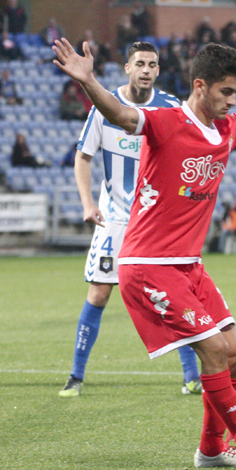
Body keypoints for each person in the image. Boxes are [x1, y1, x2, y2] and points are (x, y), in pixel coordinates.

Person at [52, 36, 236, 468]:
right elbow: (121, 113)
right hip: (147, 264)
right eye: (226, 92)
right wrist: (89, 83)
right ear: (200, 85)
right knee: (214, 350)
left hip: (188, 265)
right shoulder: (165, 122)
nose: (233, 102)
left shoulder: (227, 128)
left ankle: (212, 450)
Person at [58, 41, 204, 399]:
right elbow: (83, 157)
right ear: (127, 67)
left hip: (156, 222)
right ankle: (75, 376)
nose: (146, 70)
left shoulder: (170, 107)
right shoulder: (106, 107)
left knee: (172, 296)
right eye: (139, 63)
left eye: (152, 64)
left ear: (157, 70)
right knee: (99, 293)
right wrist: (88, 202)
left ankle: (191, 377)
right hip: (115, 220)